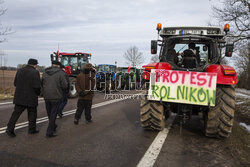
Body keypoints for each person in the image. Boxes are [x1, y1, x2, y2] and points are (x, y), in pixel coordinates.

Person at [6, 58, 41, 137]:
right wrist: (38, 93)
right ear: (35, 65)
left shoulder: (20, 70)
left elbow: (15, 83)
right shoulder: (35, 72)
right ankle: (32, 130)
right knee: (32, 114)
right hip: (31, 97)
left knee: (15, 114)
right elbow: (37, 86)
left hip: (19, 97)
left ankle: (10, 128)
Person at [42, 61, 68, 137]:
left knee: (49, 113)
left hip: (46, 96)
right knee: (53, 114)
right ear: (58, 66)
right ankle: (49, 131)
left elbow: (41, 83)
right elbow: (65, 85)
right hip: (56, 96)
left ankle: (53, 126)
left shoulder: (45, 72)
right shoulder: (61, 73)